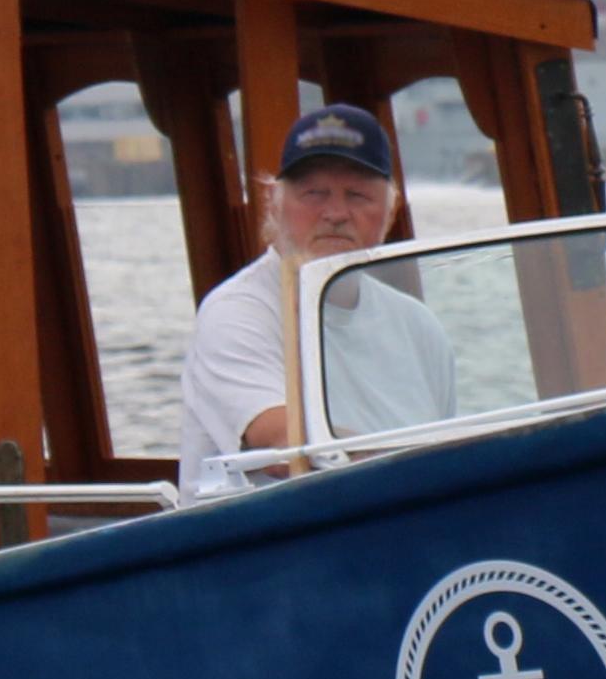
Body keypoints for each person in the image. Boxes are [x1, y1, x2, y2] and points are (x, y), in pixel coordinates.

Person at [175, 103, 458, 485]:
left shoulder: (418, 325)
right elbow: (281, 447)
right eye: (314, 193)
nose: (336, 212)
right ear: (273, 206)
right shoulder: (237, 313)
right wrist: (402, 463)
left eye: (357, 195)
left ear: (389, 214)